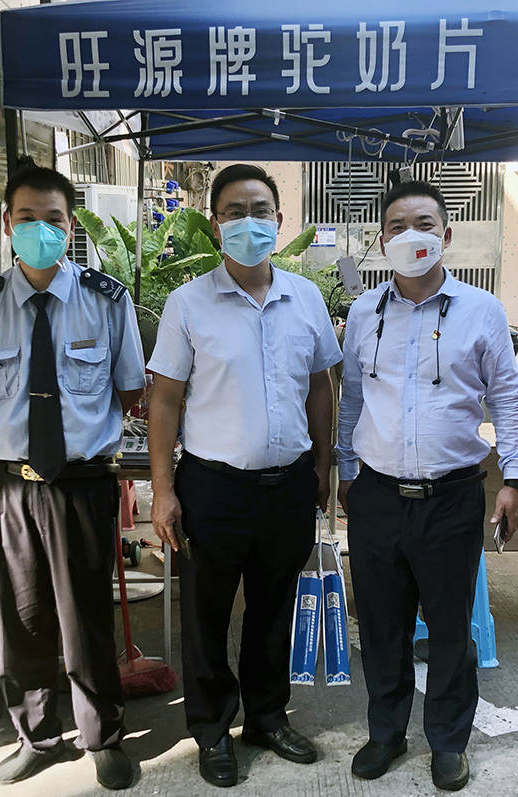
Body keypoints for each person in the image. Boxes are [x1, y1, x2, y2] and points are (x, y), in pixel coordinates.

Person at [336, 181, 518, 791]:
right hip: (376, 496)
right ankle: (386, 733)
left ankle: (449, 741)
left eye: (424, 224)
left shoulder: (482, 310)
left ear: (446, 235)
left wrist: (516, 478)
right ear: (381, 241)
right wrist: (345, 472)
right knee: (381, 626)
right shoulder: (364, 313)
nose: (410, 236)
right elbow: (351, 401)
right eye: (397, 226)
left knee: (451, 629)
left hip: (451, 497)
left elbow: (508, 399)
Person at [147, 163, 342, 788]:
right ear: (215, 225)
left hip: (288, 484)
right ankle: (211, 730)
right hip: (213, 487)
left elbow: (321, 386)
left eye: (260, 211)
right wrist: (163, 491)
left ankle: (266, 716)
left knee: (273, 608)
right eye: (235, 212)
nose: (249, 223)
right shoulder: (188, 303)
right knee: (205, 613)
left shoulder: (305, 298)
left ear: (279, 221)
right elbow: (164, 401)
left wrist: (322, 466)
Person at [0, 165, 145, 791]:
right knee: (20, 616)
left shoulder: (107, 300)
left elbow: (128, 390)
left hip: (81, 481)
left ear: (71, 227)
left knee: (86, 615)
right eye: (27, 218)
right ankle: (36, 736)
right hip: (8, 484)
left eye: (54, 219)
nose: (41, 229)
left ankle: (103, 736)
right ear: (7, 223)